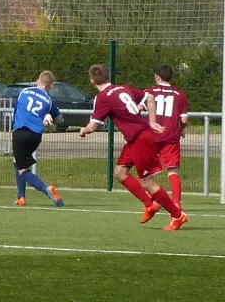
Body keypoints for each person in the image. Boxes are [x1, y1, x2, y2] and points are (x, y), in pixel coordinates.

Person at [80, 64, 188, 231]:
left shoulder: (102, 98)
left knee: (147, 183)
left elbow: (93, 127)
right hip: (136, 138)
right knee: (120, 173)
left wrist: (84, 130)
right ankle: (149, 204)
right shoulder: (123, 88)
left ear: (92, 81)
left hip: (140, 139)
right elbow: (149, 98)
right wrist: (152, 122)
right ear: (108, 77)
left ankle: (177, 215)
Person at [11, 70, 64, 207]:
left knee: (22, 169)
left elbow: (16, 111)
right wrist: (50, 125)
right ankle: (20, 198)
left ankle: (47, 190)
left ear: (37, 81)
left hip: (20, 131)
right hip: (36, 135)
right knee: (19, 162)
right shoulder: (49, 100)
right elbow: (59, 119)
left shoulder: (24, 92)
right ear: (51, 86)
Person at [144, 65, 188, 210]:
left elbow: (137, 108)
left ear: (157, 76)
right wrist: (180, 130)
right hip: (170, 136)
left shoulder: (150, 91)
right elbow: (184, 120)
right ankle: (176, 202)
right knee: (172, 170)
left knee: (148, 170)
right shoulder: (179, 94)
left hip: (151, 135)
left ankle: (155, 200)